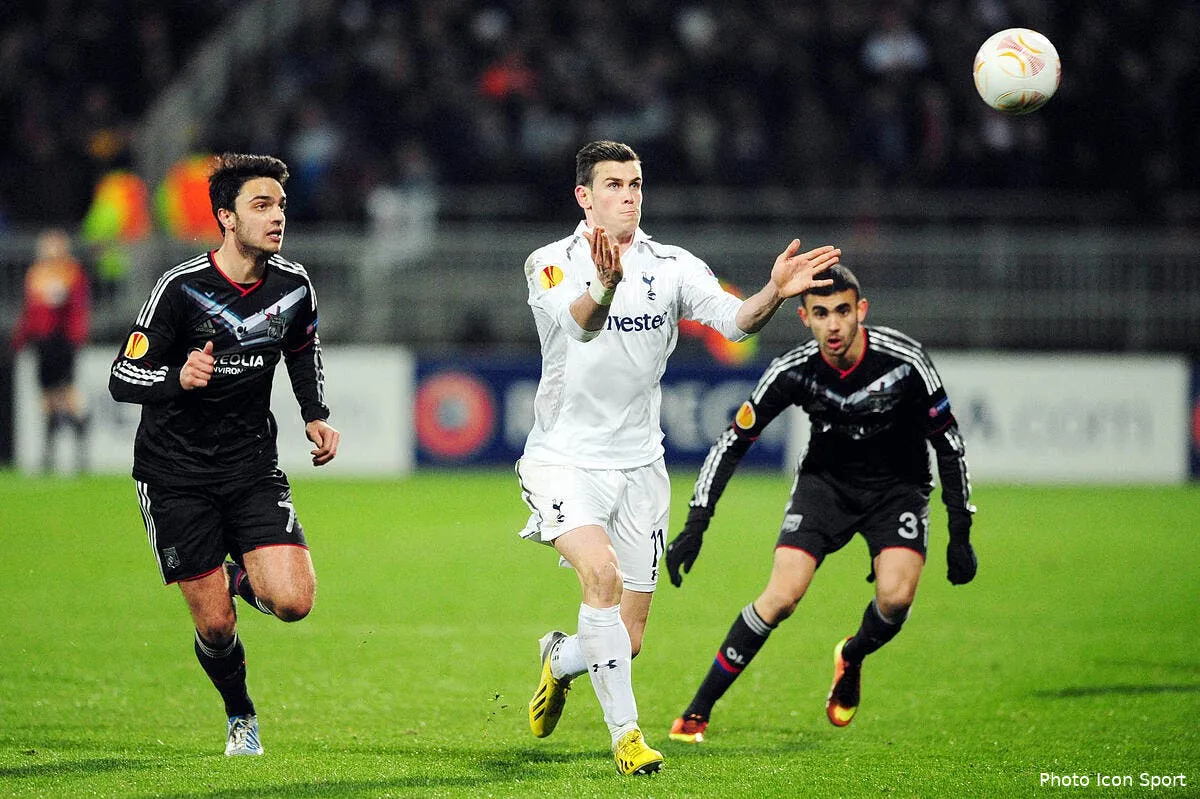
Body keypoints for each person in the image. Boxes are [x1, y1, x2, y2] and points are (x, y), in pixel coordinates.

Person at [516, 140, 841, 775]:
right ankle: (627, 739)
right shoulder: (549, 263)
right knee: (600, 577)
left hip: (642, 469)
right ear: (584, 196)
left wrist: (774, 292)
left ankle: (562, 658)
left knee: (626, 641)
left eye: (636, 184)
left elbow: (735, 322)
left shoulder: (673, 265)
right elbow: (579, 325)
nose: (629, 195)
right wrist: (606, 285)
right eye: (613, 185)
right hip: (564, 461)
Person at [664, 263, 976, 744]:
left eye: (843, 312)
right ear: (804, 317)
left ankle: (852, 656)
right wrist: (697, 522)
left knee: (895, 598)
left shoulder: (905, 361)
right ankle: (696, 712)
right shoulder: (793, 370)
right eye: (821, 313)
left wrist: (961, 531)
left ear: (861, 311)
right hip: (825, 488)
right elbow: (733, 440)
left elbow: (948, 442)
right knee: (782, 596)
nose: (833, 324)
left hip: (898, 490)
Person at [109, 153, 340, 756]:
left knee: (293, 602)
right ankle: (241, 713)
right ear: (226, 219)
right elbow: (121, 378)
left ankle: (238, 574)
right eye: (261, 205)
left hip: (251, 467)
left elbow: (301, 348)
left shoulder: (293, 285)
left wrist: (314, 414)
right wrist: (176, 379)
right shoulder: (180, 288)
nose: (276, 216)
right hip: (174, 474)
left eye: (281, 205)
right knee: (215, 625)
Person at [11, 228, 91, 473]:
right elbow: (30, 312)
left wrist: (76, 338)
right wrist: (20, 340)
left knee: (65, 391)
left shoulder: (71, 273)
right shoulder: (36, 274)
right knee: (46, 396)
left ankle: (79, 443)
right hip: (42, 342)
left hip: (63, 341)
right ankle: (50, 452)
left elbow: (78, 309)